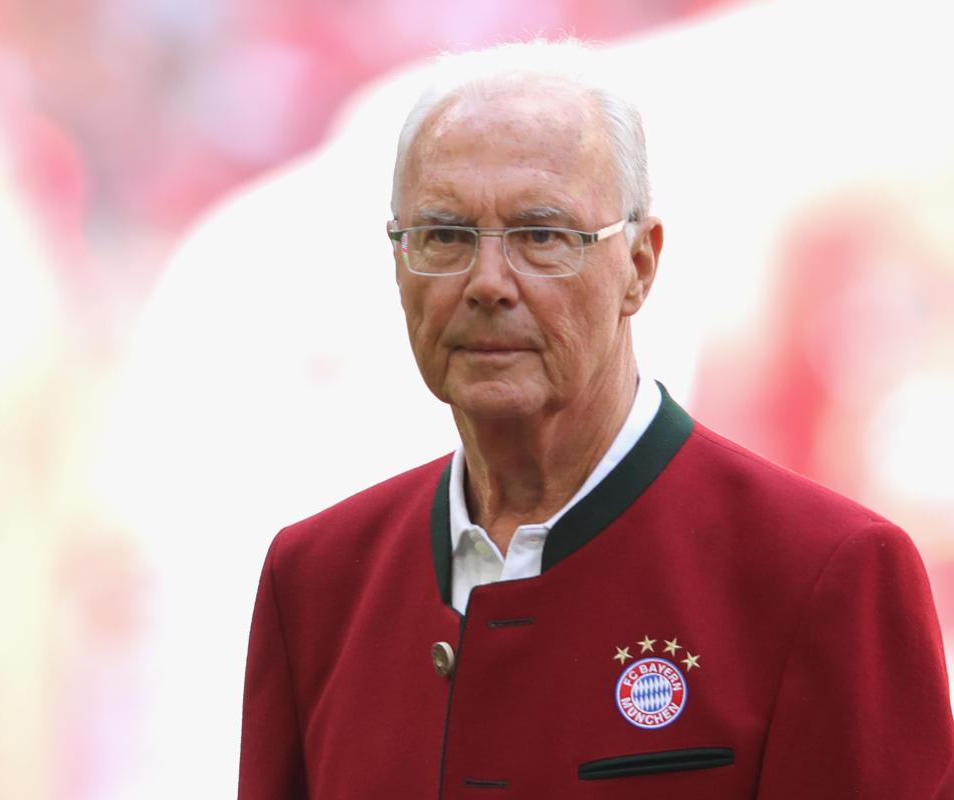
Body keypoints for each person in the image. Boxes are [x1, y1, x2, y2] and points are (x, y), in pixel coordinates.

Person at [237, 39, 954, 798]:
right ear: (397, 260)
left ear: (640, 265)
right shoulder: (317, 581)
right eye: (444, 235)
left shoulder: (823, 573)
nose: (487, 282)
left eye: (542, 236)